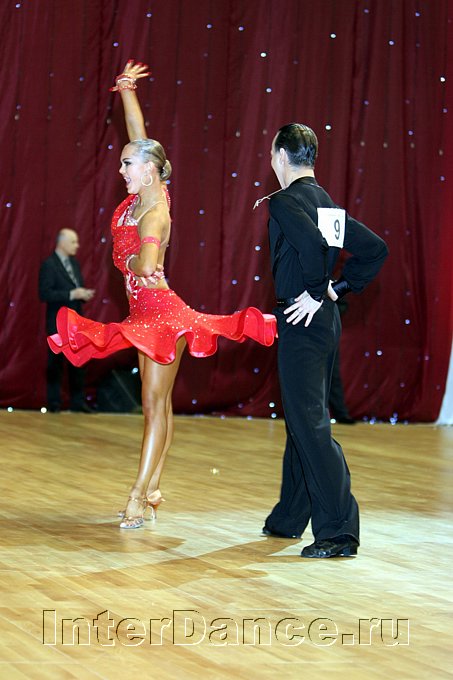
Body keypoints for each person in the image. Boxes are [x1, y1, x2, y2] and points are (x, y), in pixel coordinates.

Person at [48, 60, 277, 529]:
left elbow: (149, 263)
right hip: (144, 315)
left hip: (162, 318)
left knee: (154, 408)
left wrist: (132, 262)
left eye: (127, 164)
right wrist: (126, 91)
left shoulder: (155, 212)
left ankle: (138, 496)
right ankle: (151, 488)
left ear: (149, 172)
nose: (122, 169)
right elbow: (140, 139)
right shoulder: (144, 194)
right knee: (159, 406)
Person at [260, 123, 388, 558]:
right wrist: (338, 290)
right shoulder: (326, 203)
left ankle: (338, 532)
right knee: (303, 418)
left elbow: (313, 249)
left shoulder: (284, 201)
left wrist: (317, 292)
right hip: (323, 321)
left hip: (302, 319)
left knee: (310, 421)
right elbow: (375, 249)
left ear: (281, 156)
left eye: (272, 153)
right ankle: (289, 517)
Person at [39, 229, 95, 412]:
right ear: (61, 242)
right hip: (57, 321)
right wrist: (71, 294)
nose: (77, 246)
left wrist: (82, 294)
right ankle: (54, 403)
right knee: (55, 363)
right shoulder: (49, 265)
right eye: (73, 242)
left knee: (77, 362)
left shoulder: (74, 264)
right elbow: (45, 293)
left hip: (75, 321)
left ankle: (77, 402)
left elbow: (75, 287)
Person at [328, 299, 356, 424]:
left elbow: (342, 304)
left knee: (332, 374)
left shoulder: (332, 287)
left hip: (327, 332)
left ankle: (340, 412)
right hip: (303, 332)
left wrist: (325, 312)